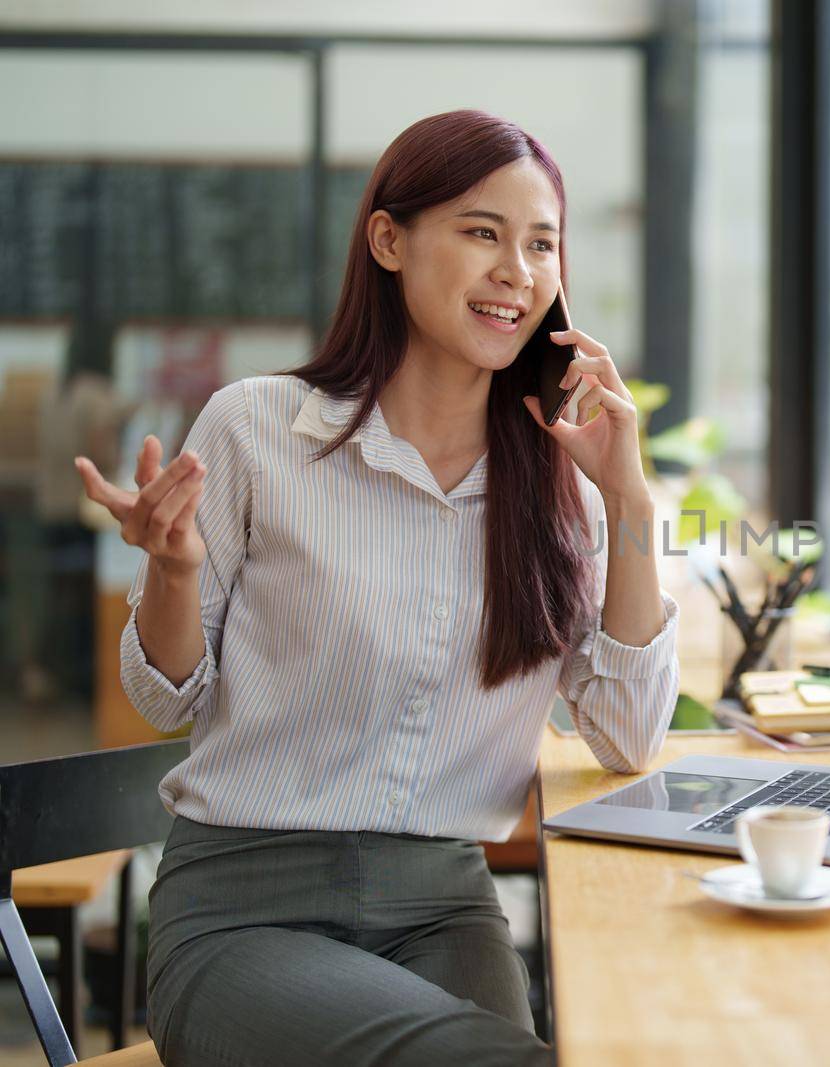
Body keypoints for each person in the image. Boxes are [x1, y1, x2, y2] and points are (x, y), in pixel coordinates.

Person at [72, 110, 681, 1066]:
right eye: (482, 232)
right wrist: (173, 572)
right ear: (389, 239)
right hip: (240, 914)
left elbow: (631, 732)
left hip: (446, 907)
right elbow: (162, 698)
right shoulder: (256, 430)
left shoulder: (561, 486)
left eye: (542, 243)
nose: (517, 272)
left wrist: (629, 494)